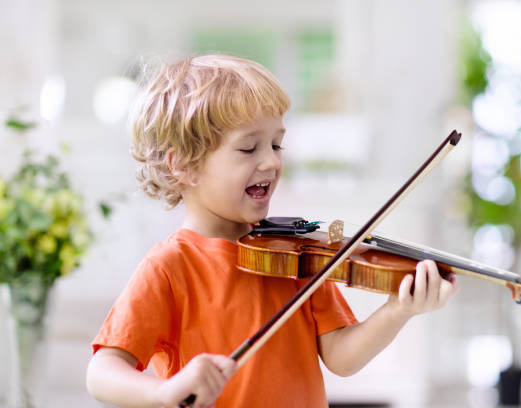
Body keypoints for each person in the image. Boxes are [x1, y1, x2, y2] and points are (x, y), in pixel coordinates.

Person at [86, 54, 459, 408]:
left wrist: (397, 310)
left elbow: (342, 358)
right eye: (249, 148)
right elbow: (101, 373)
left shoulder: (292, 255)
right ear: (184, 165)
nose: (271, 161)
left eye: (277, 144)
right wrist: (164, 391)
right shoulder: (170, 266)